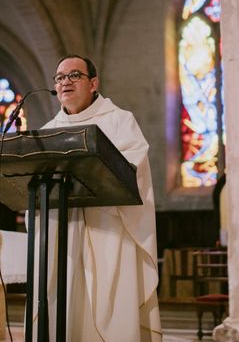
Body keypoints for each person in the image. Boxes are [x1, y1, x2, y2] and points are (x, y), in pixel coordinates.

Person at [31, 55, 162, 341]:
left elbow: (133, 169)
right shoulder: (47, 131)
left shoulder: (119, 121)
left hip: (110, 230)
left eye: (74, 75)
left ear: (93, 83)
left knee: (109, 304)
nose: (65, 82)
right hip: (63, 231)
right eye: (59, 77)